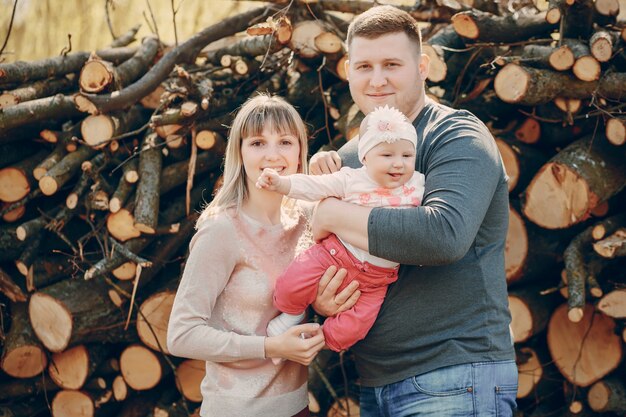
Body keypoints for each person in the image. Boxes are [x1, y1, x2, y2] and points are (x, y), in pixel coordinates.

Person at [308, 5, 517, 416]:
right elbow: (320, 250)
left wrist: (332, 214)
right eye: (364, 66)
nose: (377, 78)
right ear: (348, 70)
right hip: (376, 384)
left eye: (392, 64)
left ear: (422, 66)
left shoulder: (456, 135)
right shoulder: (352, 158)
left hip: (457, 377)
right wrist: (322, 299)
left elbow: (443, 235)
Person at [166, 94, 355, 417]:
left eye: (284, 141)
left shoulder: (309, 222)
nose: (272, 155)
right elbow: (181, 335)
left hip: (297, 407)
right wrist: (270, 347)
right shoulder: (222, 231)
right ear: (239, 153)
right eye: (257, 143)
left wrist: (321, 309)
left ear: (299, 153)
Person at [256, 105, 425, 354]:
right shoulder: (352, 179)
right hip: (334, 256)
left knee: (354, 327)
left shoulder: (417, 185)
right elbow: (315, 186)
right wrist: (281, 183)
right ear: (365, 157)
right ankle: (292, 314)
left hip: (377, 280)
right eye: (387, 156)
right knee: (293, 282)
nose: (398, 164)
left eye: (406, 156)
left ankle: (316, 339)